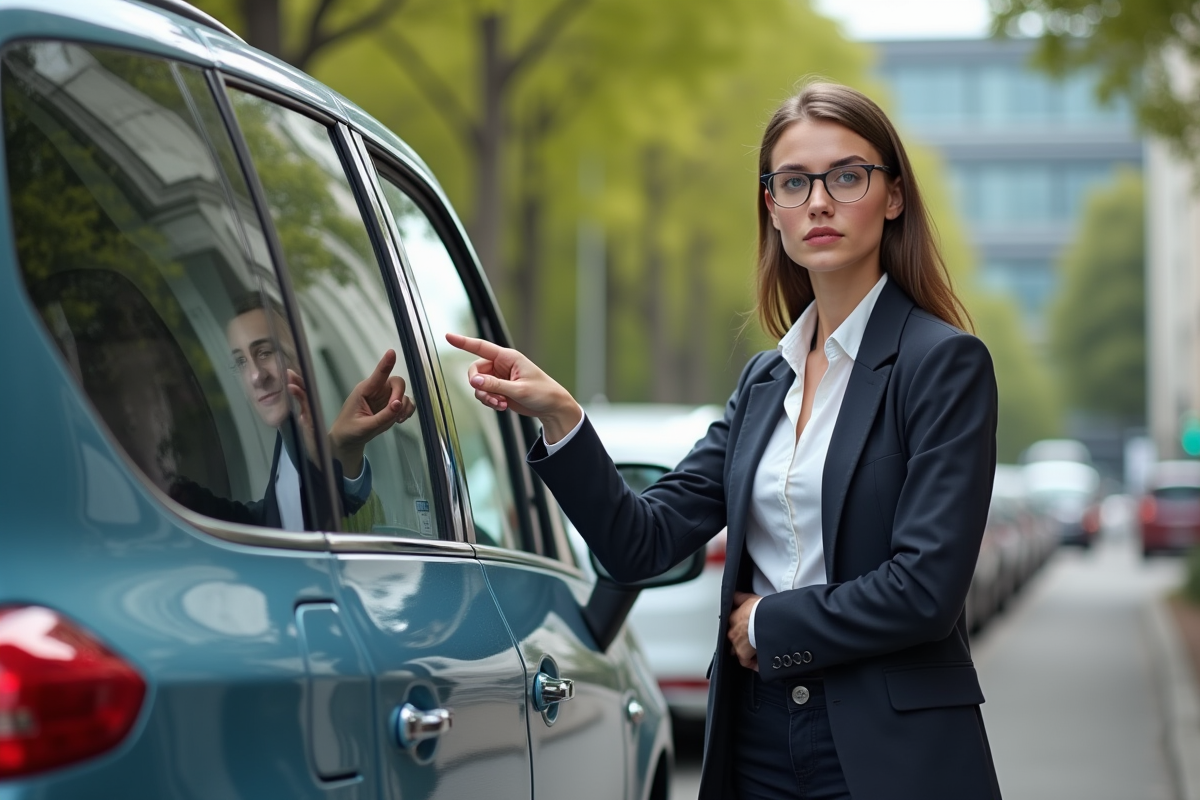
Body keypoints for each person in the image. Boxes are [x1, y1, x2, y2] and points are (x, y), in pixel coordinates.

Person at [447, 81, 1000, 800]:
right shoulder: (765, 381)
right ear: (772, 208)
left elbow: (926, 589)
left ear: (893, 196)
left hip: (887, 746)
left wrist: (772, 622)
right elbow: (640, 543)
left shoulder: (943, 364)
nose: (820, 202)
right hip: (758, 738)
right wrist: (562, 419)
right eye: (794, 182)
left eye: (848, 175)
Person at [171, 292, 414, 530]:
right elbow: (274, 519)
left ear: (302, 355)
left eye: (265, 352)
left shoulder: (306, 435)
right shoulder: (287, 438)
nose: (256, 376)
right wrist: (176, 494)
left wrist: (344, 448)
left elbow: (341, 513)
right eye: (241, 362)